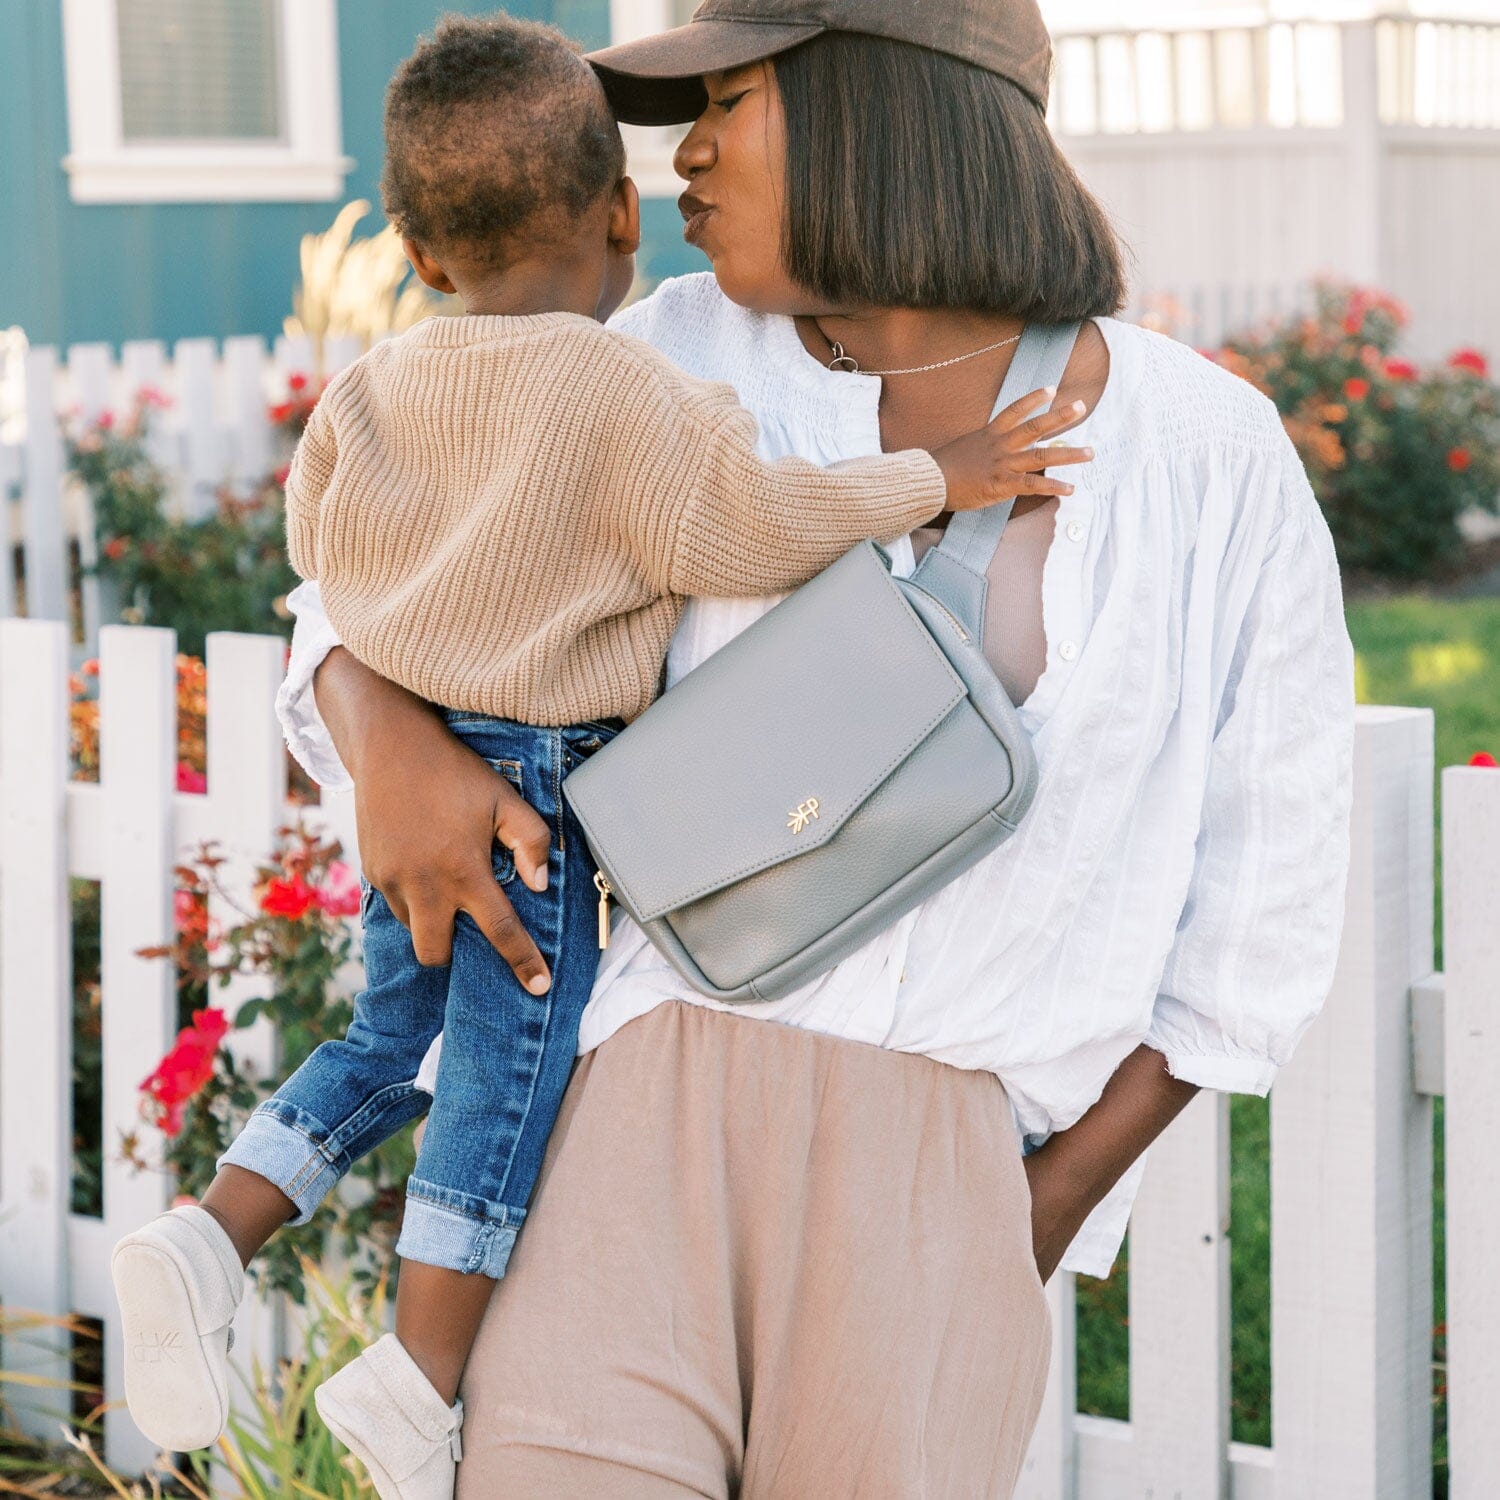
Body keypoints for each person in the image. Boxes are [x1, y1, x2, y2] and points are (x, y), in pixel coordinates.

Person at [284, 1, 1357, 1495]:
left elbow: (1265, 906)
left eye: (733, 99)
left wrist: (1022, 1214)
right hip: (632, 1122)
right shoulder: (640, 356)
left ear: (886, 109)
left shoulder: (1209, 456)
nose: (685, 155)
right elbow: (355, 585)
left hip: (951, 1176)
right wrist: (377, 727)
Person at [106, 15, 1089, 1500]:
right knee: (503, 1076)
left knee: (394, 1041)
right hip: (545, 795)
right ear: (619, 218)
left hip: (435, 770)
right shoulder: (627, 384)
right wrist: (933, 483)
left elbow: (321, 550)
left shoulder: (367, 393)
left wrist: (406, 702)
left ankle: (219, 1227)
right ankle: (420, 1379)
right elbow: (740, 533)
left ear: (422, 259)